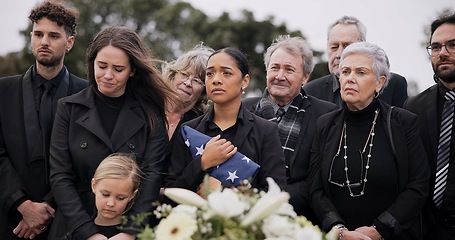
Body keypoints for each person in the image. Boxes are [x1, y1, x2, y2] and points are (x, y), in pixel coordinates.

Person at [48, 26, 179, 240]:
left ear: (132, 70)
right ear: (92, 63)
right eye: (102, 66)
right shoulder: (69, 108)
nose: (107, 76)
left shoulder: (150, 113)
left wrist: (130, 232)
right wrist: (87, 232)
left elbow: (154, 175)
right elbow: (60, 175)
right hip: (74, 225)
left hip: (129, 225)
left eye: (118, 69)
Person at [309, 42, 430, 240]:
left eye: (361, 72)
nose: (350, 79)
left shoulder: (402, 122)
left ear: (380, 82)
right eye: (345, 71)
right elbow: (315, 189)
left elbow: (419, 184)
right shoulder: (325, 125)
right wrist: (338, 230)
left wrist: (379, 230)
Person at [0, 1, 87, 239]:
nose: (44, 42)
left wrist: (45, 210)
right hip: (9, 219)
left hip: (65, 219)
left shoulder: (87, 95)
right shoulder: (3, 90)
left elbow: (85, 159)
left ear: (69, 43)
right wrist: (22, 205)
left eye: (53, 36)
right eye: (38, 34)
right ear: (31, 37)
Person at [242, 35, 337, 224]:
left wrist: (272, 202)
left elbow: (320, 179)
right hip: (243, 212)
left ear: (305, 77)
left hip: (298, 219)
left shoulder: (325, 114)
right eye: (275, 67)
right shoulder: (243, 109)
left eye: (289, 69)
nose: (280, 76)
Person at [165, 48, 286, 195]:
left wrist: (224, 192)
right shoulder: (189, 130)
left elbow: (275, 193)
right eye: (210, 73)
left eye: (226, 73)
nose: (216, 79)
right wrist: (203, 163)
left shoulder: (265, 131)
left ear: (245, 81)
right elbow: (171, 193)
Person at [403, 13, 455, 239]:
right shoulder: (413, 107)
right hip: (426, 231)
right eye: (435, 47)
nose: (442, 53)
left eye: (453, 45)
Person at [304, 16, 408, 108]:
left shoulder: (394, 85)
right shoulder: (310, 91)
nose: (339, 54)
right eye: (334, 47)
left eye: (347, 46)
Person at [162, 44, 213, 139]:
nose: (188, 83)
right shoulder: (149, 106)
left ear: (204, 91)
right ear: (173, 76)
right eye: (184, 74)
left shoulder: (201, 126)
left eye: (197, 81)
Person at [91, 153, 142, 238]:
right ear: (93, 186)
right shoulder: (76, 231)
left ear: (132, 195)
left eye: (120, 198)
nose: (111, 203)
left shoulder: (142, 234)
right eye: (105, 194)